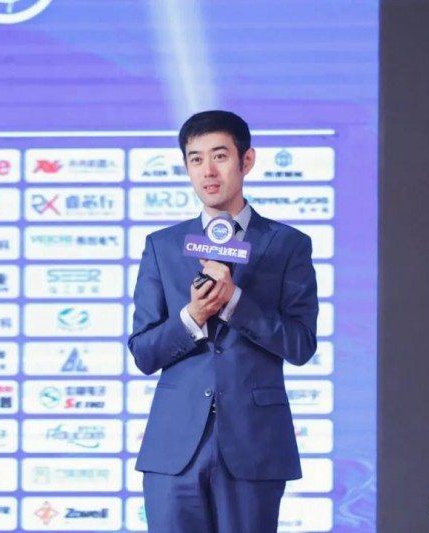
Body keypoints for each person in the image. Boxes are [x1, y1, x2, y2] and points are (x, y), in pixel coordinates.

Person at [128, 110, 319, 533]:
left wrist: (235, 302)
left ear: (246, 160)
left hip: (254, 443)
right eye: (195, 159)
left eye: (219, 156)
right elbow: (143, 352)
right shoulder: (162, 246)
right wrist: (193, 316)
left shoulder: (288, 245)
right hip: (174, 447)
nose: (208, 171)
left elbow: (301, 344)